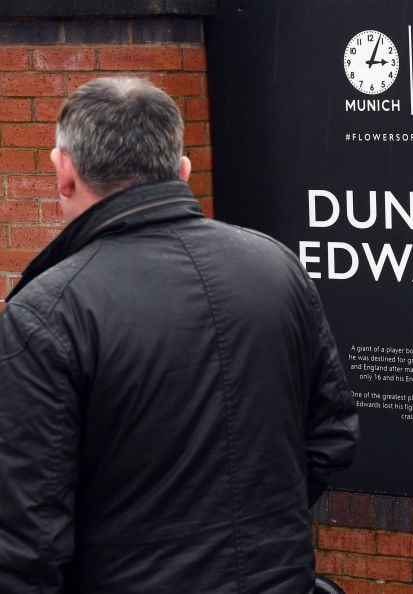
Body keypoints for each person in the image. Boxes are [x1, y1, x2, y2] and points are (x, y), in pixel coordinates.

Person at [0, 77, 359, 591]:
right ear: (182, 170)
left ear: (64, 173)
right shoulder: (276, 268)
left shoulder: (49, 313)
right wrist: (255, 525)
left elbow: (24, 538)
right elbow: (332, 433)